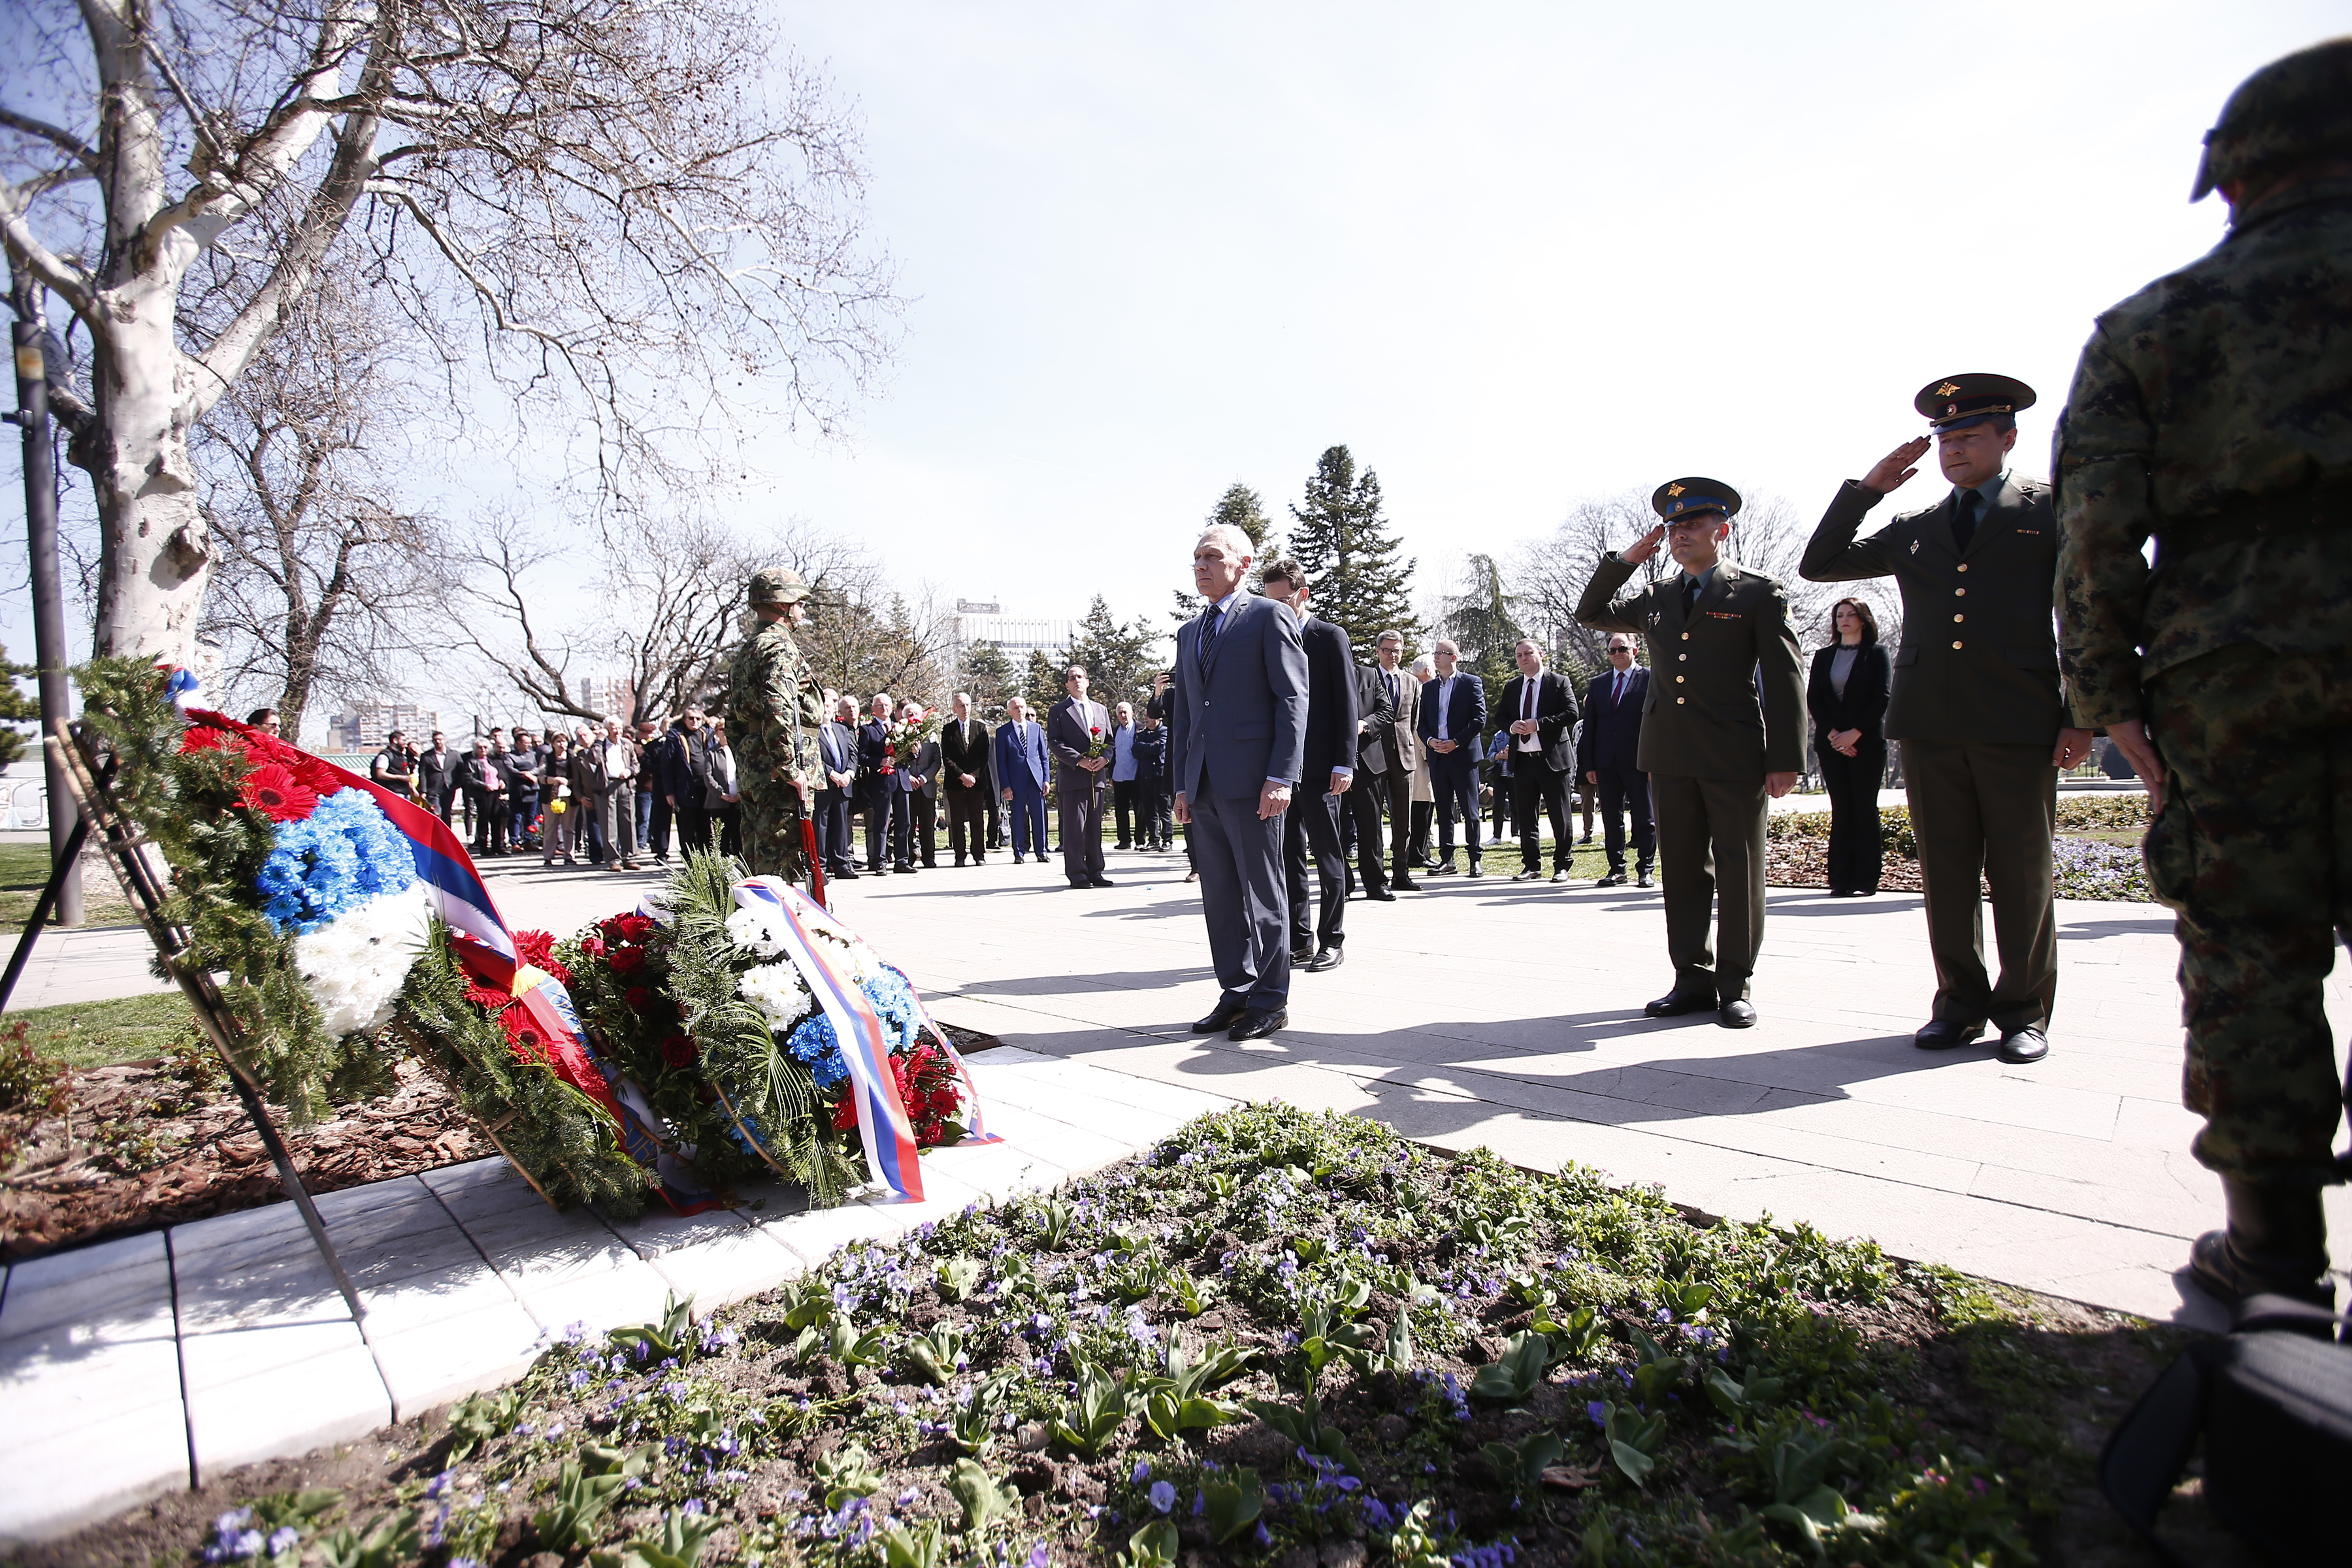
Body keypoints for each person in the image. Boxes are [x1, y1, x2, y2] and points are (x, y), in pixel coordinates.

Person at [2053, 39, 2352, 1307]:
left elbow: (2096, 537)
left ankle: (2274, 1257)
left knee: (2249, 955)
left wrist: (2115, 706)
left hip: (2234, 675)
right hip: (2231, 666)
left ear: (2230, 179)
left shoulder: (2153, 330)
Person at [1801, 376, 2096, 1064]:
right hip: (1930, 723)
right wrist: (1868, 489)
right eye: (1944, 438)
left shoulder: (2051, 510)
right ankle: (1959, 1002)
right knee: (1948, 871)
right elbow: (1821, 564)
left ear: (2008, 438)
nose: (1953, 448)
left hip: (2019, 720)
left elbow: (2084, 611)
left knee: (2021, 871)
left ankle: (2024, 1010)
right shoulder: (1917, 529)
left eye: (1968, 436)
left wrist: (2084, 713)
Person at [1577, 478, 1805, 1028]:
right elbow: (1592, 611)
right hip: (1669, 751)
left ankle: (1735, 984)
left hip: (1734, 752)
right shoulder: (1656, 597)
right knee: (1681, 869)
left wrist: (1786, 757)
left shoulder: (1756, 592)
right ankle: (1691, 977)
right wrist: (1626, 560)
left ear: (1721, 530)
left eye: (1693, 524)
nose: (1680, 534)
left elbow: (1784, 677)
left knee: (1739, 869)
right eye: (1674, 525)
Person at [1168, 523, 1309, 1041]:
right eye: (1196, 558)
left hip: (1255, 784)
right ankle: (1237, 990)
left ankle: (1271, 1001)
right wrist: (1183, 786)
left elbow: (1293, 700)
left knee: (1263, 895)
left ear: (1243, 564)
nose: (1201, 566)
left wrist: (1281, 776)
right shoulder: (1189, 632)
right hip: (1204, 785)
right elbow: (1185, 713)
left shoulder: (1270, 616)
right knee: (1221, 898)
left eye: (1211, 556)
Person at [1261, 559, 1356, 971]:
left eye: (1284, 600)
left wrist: (1345, 763)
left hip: (1321, 770)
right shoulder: (1269, 636)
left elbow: (1347, 704)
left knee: (1328, 854)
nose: (1277, 609)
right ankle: (1298, 939)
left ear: (1303, 595)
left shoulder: (1329, 636)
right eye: (1270, 602)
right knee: (1288, 856)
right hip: (1282, 771)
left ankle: (1332, 939)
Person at [723, 567, 825, 886]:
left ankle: (757, 930)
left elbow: (734, 722)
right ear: (784, 604)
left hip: (757, 769)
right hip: (780, 774)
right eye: (799, 603)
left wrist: (747, 764)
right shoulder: (779, 647)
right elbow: (778, 708)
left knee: (757, 858)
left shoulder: (746, 651)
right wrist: (790, 769)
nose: (802, 610)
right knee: (782, 868)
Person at [1806, 599, 1893, 897]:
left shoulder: (1877, 654)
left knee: (1864, 809)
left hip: (1866, 744)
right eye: (1839, 615)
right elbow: (1815, 699)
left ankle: (1866, 880)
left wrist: (1854, 735)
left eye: (1850, 615)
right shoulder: (1823, 656)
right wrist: (1835, 736)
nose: (1844, 620)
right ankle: (1840, 880)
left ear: (1863, 620)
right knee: (1842, 810)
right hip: (1830, 745)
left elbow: (1882, 698)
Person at [1496, 638, 1581, 882]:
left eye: (1528, 653)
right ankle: (1532, 865)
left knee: (1559, 814)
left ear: (1540, 654)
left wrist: (1538, 724)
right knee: (1525, 815)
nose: (1523, 658)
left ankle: (1562, 865)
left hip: (1553, 759)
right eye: (1519, 655)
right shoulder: (1513, 687)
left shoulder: (1558, 682)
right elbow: (1500, 717)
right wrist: (1511, 726)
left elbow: (1571, 713)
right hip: (1523, 760)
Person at [1577, 634, 1655, 888]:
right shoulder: (1599, 683)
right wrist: (1589, 765)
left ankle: (1646, 868)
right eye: (1612, 650)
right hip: (1606, 762)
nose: (1617, 654)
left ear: (1635, 649)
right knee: (1612, 816)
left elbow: (1659, 722)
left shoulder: (1650, 678)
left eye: (1622, 649)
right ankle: (1616, 869)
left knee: (1644, 816)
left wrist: (1656, 760)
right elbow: (1590, 727)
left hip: (1640, 760)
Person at [1357, 632, 1420, 893]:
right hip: (1374, 756)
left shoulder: (1413, 682)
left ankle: (1401, 873)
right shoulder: (1368, 678)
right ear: (1377, 651)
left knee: (1403, 820)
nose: (1392, 655)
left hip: (1404, 757)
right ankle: (1376, 878)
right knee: (1372, 821)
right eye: (1387, 650)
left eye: (1397, 650)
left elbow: (1412, 720)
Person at [1417, 639, 1487, 877]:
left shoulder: (1471, 683)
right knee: (1444, 811)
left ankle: (1475, 859)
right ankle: (1447, 860)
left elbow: (1479, 719)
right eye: (1435, 653)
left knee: (1470, 810)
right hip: (1438, 757)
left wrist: (1455, 742)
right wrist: (1430, 741)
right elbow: (1422, 724)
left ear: (1454, 657)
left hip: (1463, 756)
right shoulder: (1429, 688)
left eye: (1442, 653)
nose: (1437, 657)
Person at [1048, 666, 1115, 889]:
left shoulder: (1101, 709)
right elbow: (1055, 742)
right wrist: (1079, 760)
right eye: (1071, 678)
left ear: (1087, 682)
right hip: (1073, 777)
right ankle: (1077, 874)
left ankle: (1096, 871)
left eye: (1080, 677)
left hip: (1097, 779)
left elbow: (1111, 742)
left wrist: (1104, 759)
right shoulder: (1059, 711)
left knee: (1094, 827)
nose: (1076, 680)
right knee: (1075, 829)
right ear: (1067, 684)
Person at [1347, 640, 1398, 902]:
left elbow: (1387, 710)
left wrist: (1365, 725)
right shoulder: (1316, 675)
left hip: (1368, 763)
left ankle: (1376, 882)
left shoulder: (1368, 675)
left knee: (1370, 826)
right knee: (1335, 827)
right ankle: (1342, 883)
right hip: (1332, 764)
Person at [994, 697, 1051, 864]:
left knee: (1039, 817)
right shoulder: (1003, 732)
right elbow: (1001, 762)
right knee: (1018, 818)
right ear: (1009, 712)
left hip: (1036, 780)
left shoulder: (1036, 729)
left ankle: (1042, 851)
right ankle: (1019, 853)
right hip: (1016, 782)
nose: (1020, 710)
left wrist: (1046, 779)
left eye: (1022, 707)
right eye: (1016, 708)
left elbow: (1044, 757)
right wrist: (1005, 786)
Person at [939, 693, 993, 866]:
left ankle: (979, 854)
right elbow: (946, 757)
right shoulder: (948, 730)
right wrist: (962, 775)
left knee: (977, 820)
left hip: (977, 783)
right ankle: (960, 855)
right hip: (956, 782)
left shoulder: (980, 728)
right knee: (957, 820)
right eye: (961, 706)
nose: (965, 709)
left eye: (968, 705)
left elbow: (985, 755)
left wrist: (974, 776)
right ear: (954, 708)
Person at [856, 694, 907, 873]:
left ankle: (902, 860)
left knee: (904, 822)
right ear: (873, 709)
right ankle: (879, 861)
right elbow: (862, 757)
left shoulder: (900, 727)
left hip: (901, 780)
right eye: (880, 705)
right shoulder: (867, 730)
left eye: (887, 705)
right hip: (882, 781)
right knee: (881, 823)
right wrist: (880, 762)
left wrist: (915, 751)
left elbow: (908, 755)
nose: (884, 708)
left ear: (893, 707)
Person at [813, 696, 860, 880]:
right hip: (824, 784)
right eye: (823, 705)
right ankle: (821, 866)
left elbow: (853, 754)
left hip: (844, 784)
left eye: (829, 706)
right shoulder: (813, 732)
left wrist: (849, 773)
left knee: (842, 826)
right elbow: (814, 757)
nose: (827, 709)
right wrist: (831, 773)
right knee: (821, 826)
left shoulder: (842, 729)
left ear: (835, 709)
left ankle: (842, 864)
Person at [661, 708, 712, 854]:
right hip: (685, 789)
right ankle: (690, 865)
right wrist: (669, 792)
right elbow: (667, 766)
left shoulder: (707, 734)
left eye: (698, 718)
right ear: (684, 720)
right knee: (687, 828)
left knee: (706, 828)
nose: (694, 721)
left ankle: (707, 864)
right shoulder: (675, 737)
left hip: (706, 788)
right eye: (691, 718)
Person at [595, 718, 643, 870]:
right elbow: (594, 759)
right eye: (613, 728)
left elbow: (636, 764)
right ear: (606, 730)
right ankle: (613, 859)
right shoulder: (600, 745)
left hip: (626, 785)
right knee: (609, 825)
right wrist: (599, 739)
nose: (617, 731)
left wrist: (630, 771)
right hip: (607, 785)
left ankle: (629, 857)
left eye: (619, 728)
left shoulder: (627, 744)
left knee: (628, 821)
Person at [900, 700, 941, 870]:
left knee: (927, 824)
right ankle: (908, 857)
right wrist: (908, 776)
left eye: (915, 714)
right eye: (909, 715)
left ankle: (929, 857)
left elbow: (936, 761)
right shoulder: (899, 735)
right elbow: (898, 760)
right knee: (908, 824)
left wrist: (924, 778)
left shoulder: (931, 736)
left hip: (926, 786)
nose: (913, 717)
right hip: (908, 786)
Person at [1406, 654, 1437, 870]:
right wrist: (1429, 753)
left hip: (1419, 758)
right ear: (1428, 671)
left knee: (1424, 806)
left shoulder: (1416, 688)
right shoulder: (1420, 690)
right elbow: (1417, 725)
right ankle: (1417, 854)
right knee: (1421, 807)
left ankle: (1421, 851)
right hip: (1420, 759)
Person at [461, 736, 509, 857]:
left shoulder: (491, 761)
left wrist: (501, 782)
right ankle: (484, 848)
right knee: (484, 821)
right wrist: (484, 786)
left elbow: (496, 775)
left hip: (496, 792)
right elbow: (469, 779)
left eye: (485, 747)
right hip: (483, 794)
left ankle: (497, 847)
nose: (483, 750)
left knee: (496, 820)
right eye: (480, 747)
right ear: (475, 749)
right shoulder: (472, 762)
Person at [1134, 705, 1171, 852]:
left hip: (1160, 777)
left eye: (1148, 716)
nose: (1145, 719)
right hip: (1145, 776)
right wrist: (1148, 747)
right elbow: (1135, 751)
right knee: (1149, 811)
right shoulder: (1143, 734)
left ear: (1158, 717)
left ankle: (1167, 840)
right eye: (1144, 716)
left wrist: (1145, 748)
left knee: (1164, 810)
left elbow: (1159, 749)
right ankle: (1153, 840)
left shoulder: (1165, 732)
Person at [540, 733, 578, 865]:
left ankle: (569, 855)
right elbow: (541, 776)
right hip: (550, 795)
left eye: (564, 741)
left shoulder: (572, 757)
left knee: (569, 827)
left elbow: (578, 777)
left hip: (569, 795)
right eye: (558, 742)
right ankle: (548, 856)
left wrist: (568, 782)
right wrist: (554, 780)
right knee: (550, 827)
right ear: (553, 744)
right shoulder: (547, 758)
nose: (562, 744)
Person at [1109, 701, 1141, 850]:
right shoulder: (1115, 731)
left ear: (1132, 713)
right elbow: (1112, 754)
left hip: (1136, 775)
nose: (1123, 715)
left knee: (1139, 809)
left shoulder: (1140, 729)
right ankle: (1124, 841)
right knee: (1120, 810)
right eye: (1120, 713)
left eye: (1125, 712)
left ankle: (1140, 840)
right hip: (1119, 776)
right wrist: (1110, 775)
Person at [707, 717, 741, 857]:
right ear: (716, 732)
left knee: (738, 838)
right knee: (722, 839)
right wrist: (721, 794)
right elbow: (708, 776)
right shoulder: (711, 753)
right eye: (721, 729)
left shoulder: (739, 749)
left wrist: (741, 794)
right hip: (720, 802)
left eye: (727, 729)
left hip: (739, 801)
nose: (725, 732)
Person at [416, 730, 462, 825]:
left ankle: (447, 836)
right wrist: (423, 791)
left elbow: (461, 771)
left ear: (444, 740)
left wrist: (457, 785)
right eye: (436, 740)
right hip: (433, 789)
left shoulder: (454, 755)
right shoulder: (426, 756)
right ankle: (436, 837)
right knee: (436, 813)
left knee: (447, 813)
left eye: (440, 739)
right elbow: (423, 774)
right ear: (433, 741)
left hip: (449, 788)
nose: (438, 742)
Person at [370, 730, 416, 800]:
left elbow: (404, 773)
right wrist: (399, 777)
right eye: (403, 740)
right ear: (395, 740)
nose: (405, 743)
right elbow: (380, 774)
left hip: (405, 792)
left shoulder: (402, 756)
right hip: (393, 792)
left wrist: (412, 789)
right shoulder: (385, 756)